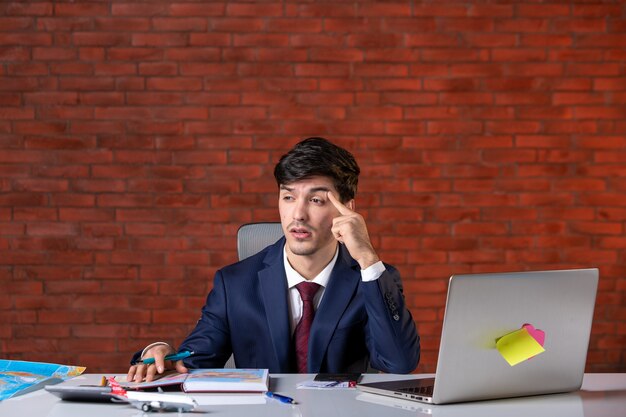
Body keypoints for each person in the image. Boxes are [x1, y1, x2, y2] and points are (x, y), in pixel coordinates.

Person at [127, 137, 420, 382]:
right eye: (288, 197)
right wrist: (161, 350)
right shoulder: (235, 284)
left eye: (316, 200)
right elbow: (192, 360)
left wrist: (367, 257)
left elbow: (399, 363)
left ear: (347, 210)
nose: (298, 215)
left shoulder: (371, 279)